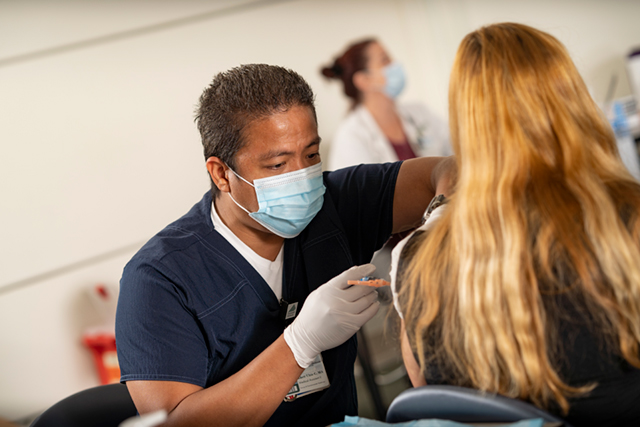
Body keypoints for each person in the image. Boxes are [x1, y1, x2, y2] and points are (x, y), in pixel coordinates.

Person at [115, 63, 454, 427]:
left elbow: (453, 171)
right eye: (277, 165)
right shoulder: (160, 279)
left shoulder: (337, 204)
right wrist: (299, 344)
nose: (303, 177)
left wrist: (442, 215)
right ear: (221, 173)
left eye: (310, 155)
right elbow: (174, 424)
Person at [391, 23, 640, 427]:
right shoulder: (629, 220)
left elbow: (429, 399)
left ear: (466, 123)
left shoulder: (415, 259)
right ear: (572, 100)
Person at [321, 38, 451, 171]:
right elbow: (357, 189)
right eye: (385, 60)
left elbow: (458, 149)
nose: (395, 65)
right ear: (364, 80)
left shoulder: (420, 112)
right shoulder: (351, 136)